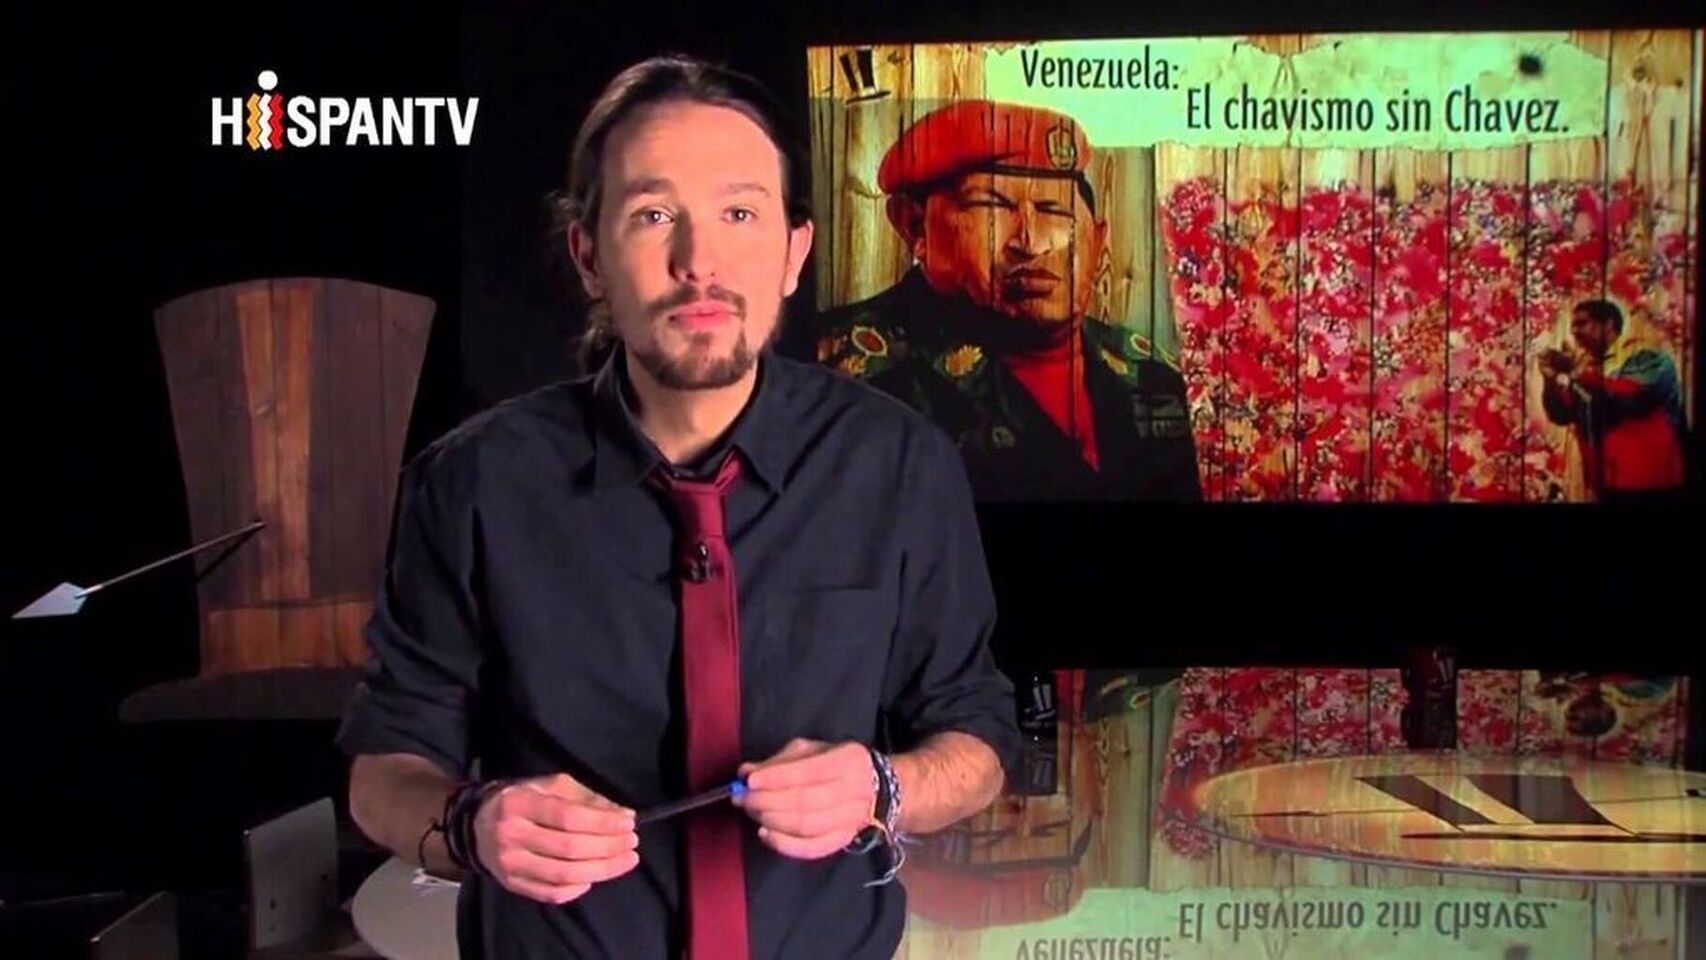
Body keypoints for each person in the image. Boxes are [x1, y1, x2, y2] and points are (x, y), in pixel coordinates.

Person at [336, 55, 1021, 960]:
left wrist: (884, 788)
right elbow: (383, 771)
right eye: (654, 216)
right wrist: (470, 824)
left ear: (794, 254)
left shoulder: (899, 465)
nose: (699, 262)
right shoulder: (469, 484)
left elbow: (978, 736)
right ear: (589, 256)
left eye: (740, 214)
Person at [815, 99, 1201, 502]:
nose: (1030, 243)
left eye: (1055, 210)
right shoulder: (842, 376)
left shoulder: (1154, 373)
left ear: (1098, 240)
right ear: (915, 227)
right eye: (993, 206)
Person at [1539, 298, 1686, 501]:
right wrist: (1550, 381)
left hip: (1649, 481)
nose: (1573, 331)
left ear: (1608, 324)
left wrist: (1576, 372)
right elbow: (1563, 415)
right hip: (1605, 484)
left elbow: (1633, 398)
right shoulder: (1586, 366)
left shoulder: (1647, 355)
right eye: (1572, 325)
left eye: (1582, 323)